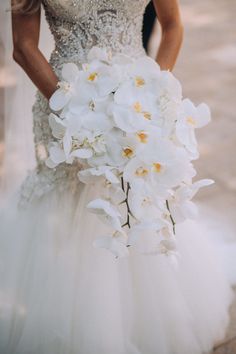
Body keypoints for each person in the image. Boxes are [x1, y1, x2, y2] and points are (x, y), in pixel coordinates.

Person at [0, 1, 234, 353]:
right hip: (63, 101)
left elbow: (172, 26)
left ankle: (146, 315)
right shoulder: (67, 105)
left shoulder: (146, 95)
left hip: (138, 103)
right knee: (71, 199)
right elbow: (23, 47)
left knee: (137, 197)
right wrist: (73, 108)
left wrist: (155, 91)